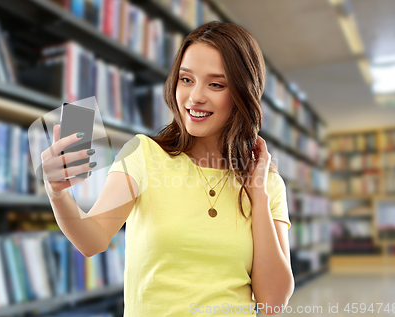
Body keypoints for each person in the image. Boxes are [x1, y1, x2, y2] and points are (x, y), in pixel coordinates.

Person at [41, 21, 293, 316]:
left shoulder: (266, 183)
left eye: (216, 84)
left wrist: (258, 195)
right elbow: (92, 239)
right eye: (186, 79)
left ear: (243, 93)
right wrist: (57, 193)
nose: (195, 96)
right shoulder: (143, 155)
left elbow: (273, 303)